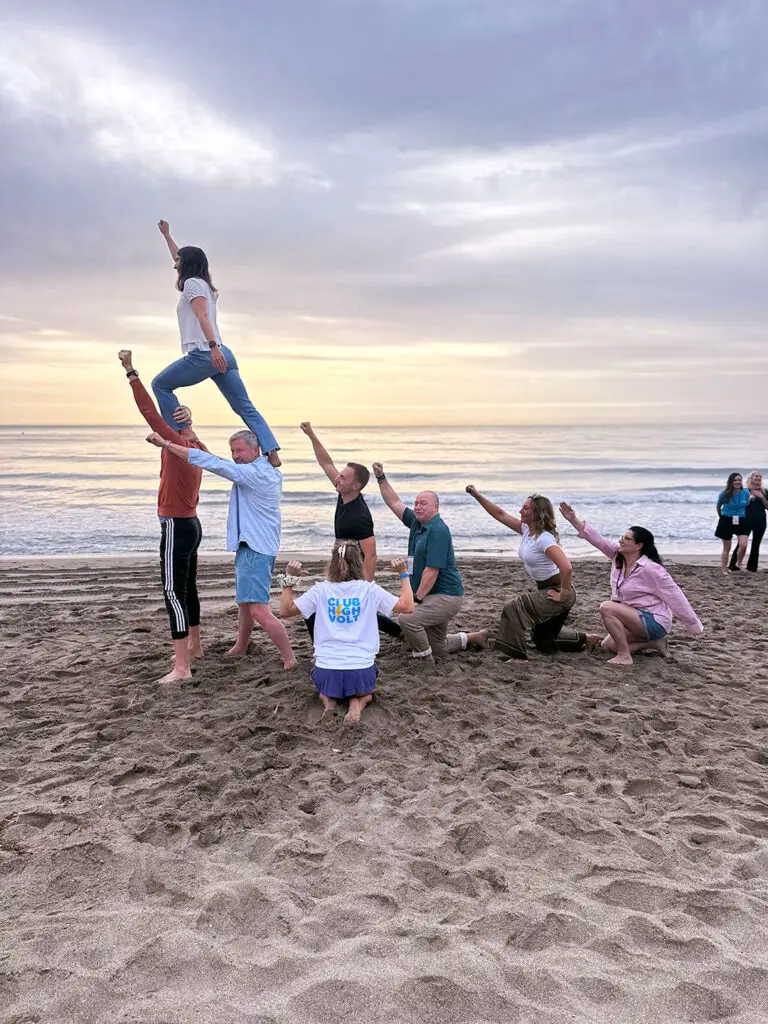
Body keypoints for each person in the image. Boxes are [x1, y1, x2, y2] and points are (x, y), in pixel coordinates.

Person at [146, 428, 296, 668]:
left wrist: (167, 444)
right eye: (233, 451)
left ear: (256, 450)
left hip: (256, 548)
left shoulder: (254, 474)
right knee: (245, 604)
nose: (236, 455)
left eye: (240, 450)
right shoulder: (258, 469)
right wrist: (196, 441)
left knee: (258, 609)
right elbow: (219, 462)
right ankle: (242, 645)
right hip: (252, 545)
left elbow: (214, 464)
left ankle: (289, 658)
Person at [150, 220, 281, 465]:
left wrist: (212, 348)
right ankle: (271, 451)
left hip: (205, 354)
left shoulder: (191, 284)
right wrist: (167, 236)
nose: (175, 265)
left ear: (187, 265)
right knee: (244, 406)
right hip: (224, 354)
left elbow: (202, 316)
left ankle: (179, 432)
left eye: (179, 263)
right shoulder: (205, 285)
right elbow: (178, 256)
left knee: (160, 385)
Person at [120, 350, 206, 685]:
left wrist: (130, 371)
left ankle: (182, 667)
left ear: (174, 423)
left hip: (176, 525)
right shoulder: (197, 445)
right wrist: (184, 425)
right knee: (189, 588)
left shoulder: (173, 440)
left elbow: (147, 411)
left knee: (173, 591)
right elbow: (164, 421)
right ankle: (195, 646)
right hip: (193, 525)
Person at [278, 543, 413, 723]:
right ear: (359, 563)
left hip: (327, 672)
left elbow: (286, 610)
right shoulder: (369, 589)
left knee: (324, 690)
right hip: (361, 673)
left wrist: (290, 578)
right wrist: (403, 574)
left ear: (332, 563)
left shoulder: (321, 590)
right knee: (365, 691)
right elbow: (407, 606)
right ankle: (359, 701)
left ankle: (329, 701)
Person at [559, 502, 703, 666]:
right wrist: (573, 520)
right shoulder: (617, 555)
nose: (621, 541)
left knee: (607, 607)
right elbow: (598, 540)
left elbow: (675, 596)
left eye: (626, 539)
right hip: (634, 618)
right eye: (621, 537)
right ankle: (655, 643)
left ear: (639, 545)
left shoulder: (652, 570)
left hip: (654, 621)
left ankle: (625, 656)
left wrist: (692, 623)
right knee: (607, 645)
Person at [372, 462, 486, 664]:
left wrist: (416, 600)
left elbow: (431, 571)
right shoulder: (417, 523)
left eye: (423, 503)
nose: (417, 506)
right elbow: (394, 502)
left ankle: (426, 662)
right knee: (439, 647)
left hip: (445, 596)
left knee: (407, 619)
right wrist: (381, 477)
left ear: (436, 507)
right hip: (431, 595)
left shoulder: (438, 530)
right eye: (416, 503)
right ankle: (472, 637)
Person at [466, 487, 597, 660]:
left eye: (526, 508)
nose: (520, 511)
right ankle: (587, 639)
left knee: (513, 608)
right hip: (545, 589)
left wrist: (563, 593)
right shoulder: (528, 531)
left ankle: (517, 658)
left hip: (558, 590)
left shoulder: (544, 539)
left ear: (538, 513)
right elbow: (500, 514)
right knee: (542, 643)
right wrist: (477, 495)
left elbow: (567, 567)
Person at [299, 421, 401, 638]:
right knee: (352, 611)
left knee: (320, 609)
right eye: (340, 475)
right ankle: (399, 633)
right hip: (340, 566)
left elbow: (371, 553)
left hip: (354, 572)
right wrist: (312, 435)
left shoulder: (360, 517)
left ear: (356, 486)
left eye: (343, 477)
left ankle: (321, 646)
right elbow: (326, 464)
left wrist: (367, 586)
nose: (338, 478)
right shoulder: (343, 492)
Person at [728, 471, 768, 573]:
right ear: (751, 478)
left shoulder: (765, 492)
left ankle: (752, 567)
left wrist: (761, 497)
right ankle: (733, 565)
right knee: (741, 544)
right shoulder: (744, 491)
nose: (758, 478)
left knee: (756, 544)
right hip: (745, 521)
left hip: (760, 521)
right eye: (756, 476)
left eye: (760, 476)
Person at [715, 472, 749, 572]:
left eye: (739, 480)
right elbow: (718, 506)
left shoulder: (745, 493)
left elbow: (746, 504)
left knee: (743, 544)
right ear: (731, 482)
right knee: (727, 547)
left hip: (741, 519)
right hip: (727, 519)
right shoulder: (724, 494)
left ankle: (738, 563)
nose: (738, 482)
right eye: (735, 480)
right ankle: (724, 568)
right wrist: (722, 517)